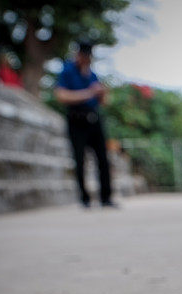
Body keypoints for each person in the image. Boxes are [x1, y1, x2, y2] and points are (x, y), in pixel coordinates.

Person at [54, 40, 115, 208]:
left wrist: (102, 93)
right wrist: (89, 93)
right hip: (76, 119)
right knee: (79, 159)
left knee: (103, 158)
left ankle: (106, 197)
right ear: (78, 55)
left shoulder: (93, 75)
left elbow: (104, 102)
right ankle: (85, 198)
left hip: (94, 118)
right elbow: (61, 95)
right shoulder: (67, 71)